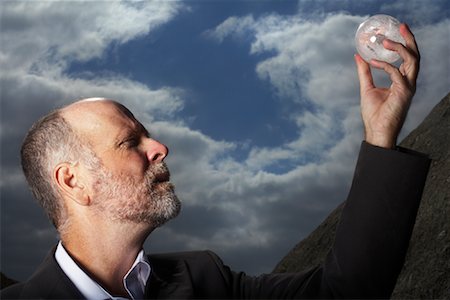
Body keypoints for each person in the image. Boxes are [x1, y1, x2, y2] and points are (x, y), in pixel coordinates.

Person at [1, 24, 430, 299]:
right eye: (130, 141)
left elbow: (345, 292)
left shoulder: (205, 279)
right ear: (74, 182)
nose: (160, 147)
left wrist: (380, 135)